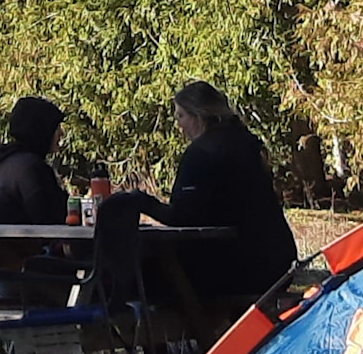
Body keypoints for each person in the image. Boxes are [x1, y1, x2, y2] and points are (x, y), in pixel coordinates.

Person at [97, 82, 300, 321]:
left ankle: (159, 347)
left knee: (133, 274)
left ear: (199, 116)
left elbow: (183, 218)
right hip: (276, 260)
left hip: (234, 268)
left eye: (181, 116)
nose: (180, 126)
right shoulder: (247, 144)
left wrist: (139, 201)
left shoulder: (204, 152)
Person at [0, 96, 71, 227]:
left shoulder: (7, 164)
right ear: (41, 130)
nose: (61, 133)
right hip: (21, 247)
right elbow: (52, 220)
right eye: (56, 127)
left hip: (2, 246)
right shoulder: (30, 169)